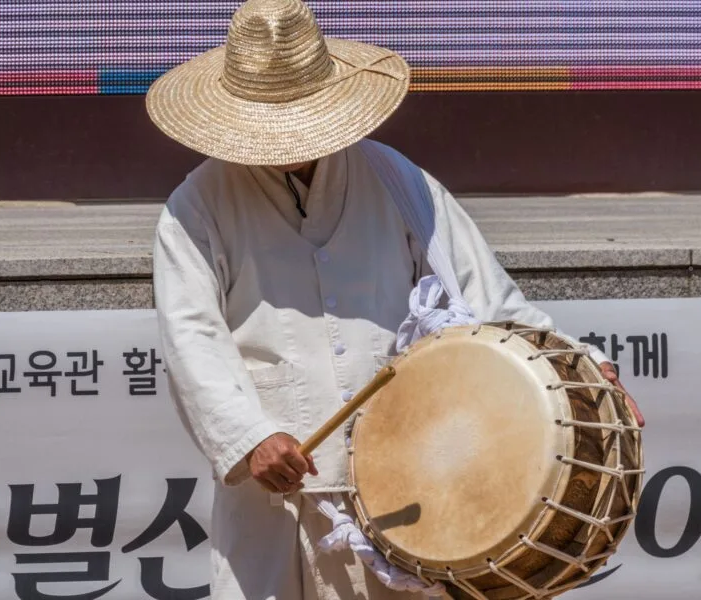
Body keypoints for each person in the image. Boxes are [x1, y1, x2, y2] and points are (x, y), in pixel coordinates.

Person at [148, 0, 645, 598]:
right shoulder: (196, 207)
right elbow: (191, 339)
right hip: (269, 495)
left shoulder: (394, 178)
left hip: (403, 482)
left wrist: (581, 368)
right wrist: (249, 437)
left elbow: (488, 299)